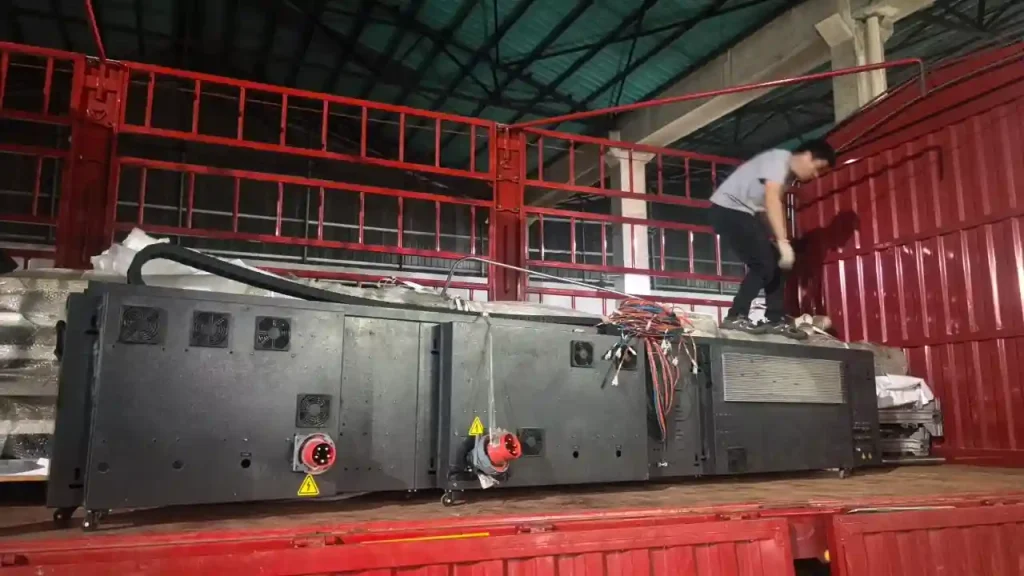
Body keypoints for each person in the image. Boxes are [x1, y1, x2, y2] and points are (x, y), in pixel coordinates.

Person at [708, 140, 836, 339]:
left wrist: (776, 241)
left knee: (774, 261)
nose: (816, 176)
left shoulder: (786, 176)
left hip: (743, 214)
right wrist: (783, 242)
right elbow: (772, 200)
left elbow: (767, 210)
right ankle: (735, 316)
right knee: (763, 265)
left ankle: (775, 319)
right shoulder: (779, 159)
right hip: (729, 210)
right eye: (818, 169)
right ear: (807, 156)